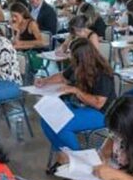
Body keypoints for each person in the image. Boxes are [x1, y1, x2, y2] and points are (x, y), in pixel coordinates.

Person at [35, 38, 116, 168]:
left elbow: (98, 103)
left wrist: (76, 91)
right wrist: (45, 81)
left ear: (83, 58)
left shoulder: (103, 73)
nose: (70, 57)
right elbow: (63, 76)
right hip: (80, 106)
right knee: (46, 118)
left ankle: (79, 162)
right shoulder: (79, 65)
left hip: (102, 113)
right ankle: (65, 156)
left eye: (72, 55)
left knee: (62, 125)